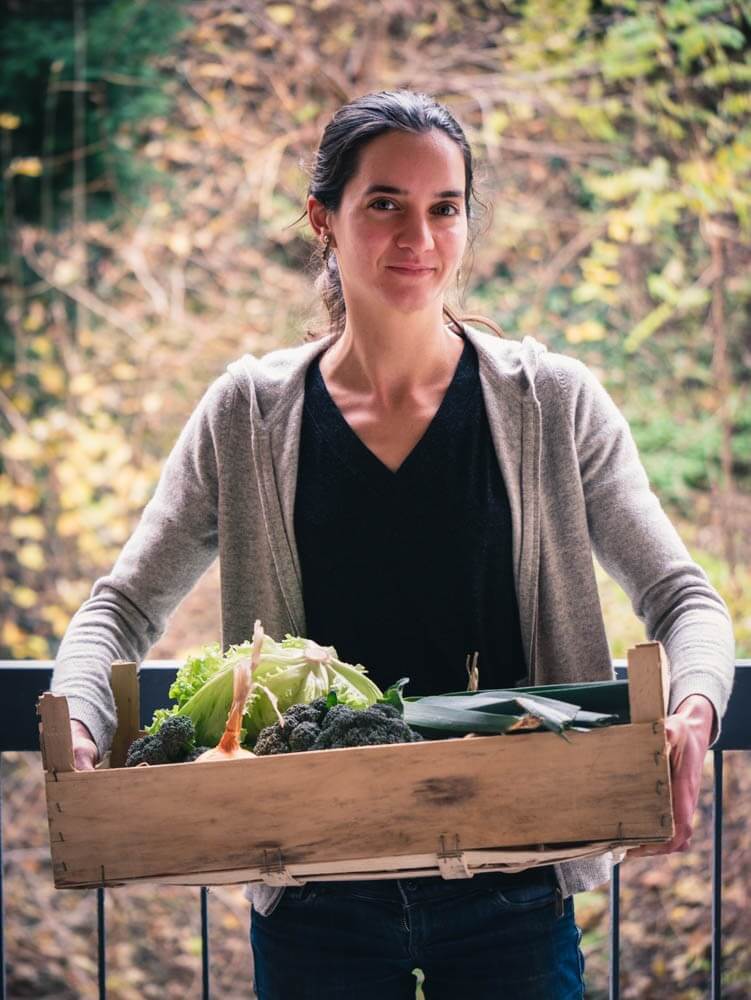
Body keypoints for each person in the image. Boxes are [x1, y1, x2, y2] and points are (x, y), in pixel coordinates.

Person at [52, 90, 735, 998]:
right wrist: (78, 723)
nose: (418, 235)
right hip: (311, 889)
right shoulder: (249, 416)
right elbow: (121, 609)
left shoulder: (553, 404)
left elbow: (684, 601)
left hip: (511, 883)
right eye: (384, 203)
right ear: (322, 219)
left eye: (443, 208)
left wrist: (694, 712)